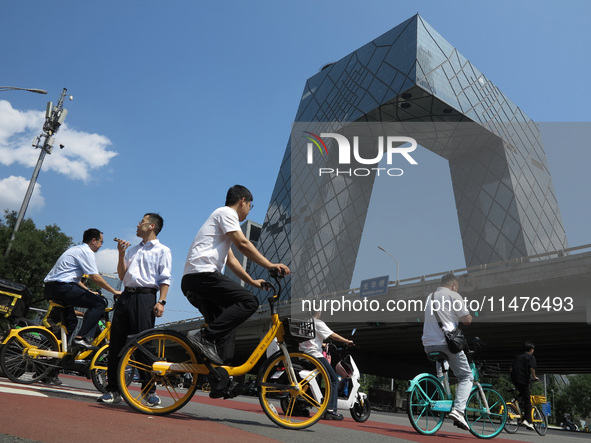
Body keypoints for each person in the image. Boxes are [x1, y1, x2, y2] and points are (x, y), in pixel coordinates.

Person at [181, 185, 290, 375]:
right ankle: (203, 336)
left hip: (195, 280)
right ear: (243, 201)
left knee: (226, 327)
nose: (249, 210)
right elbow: (243, 244)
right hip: (202, 275)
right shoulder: (226, 213)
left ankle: (221, 378)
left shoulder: (221, 225)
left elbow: (231, 260)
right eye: (250, 205)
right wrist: (270, 265)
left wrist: (251, 281)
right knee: (249, 302)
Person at [97, 213, 172, 405]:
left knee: (143, 346)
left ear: (152, 226)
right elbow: (122, 276)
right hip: (125, 296)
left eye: (142, 222)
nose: (137, 225)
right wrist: (121, 254)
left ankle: (149, 391)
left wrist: (161, 302)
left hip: (146, 297)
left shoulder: (163, 250)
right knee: (116, 344)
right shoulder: (132, 250)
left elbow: (165, 279)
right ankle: (113, 389)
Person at [44, 228, 121, 348]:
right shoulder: (86, 252)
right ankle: (82, 338)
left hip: (53, 288)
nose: (101, 245)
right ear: (94, 241)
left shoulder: (76, 249)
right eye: (101, 242)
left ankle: (54, 351)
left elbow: (74, 279)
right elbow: (95, 277)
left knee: (71, 323)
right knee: (99, 304)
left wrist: (89, 291)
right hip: (62, 288)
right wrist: (114, 291)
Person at [422, 273, 473, 431]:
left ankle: (443, 398)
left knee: (442, 374)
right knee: (466, 376)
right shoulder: (453, 295)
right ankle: (458, 411)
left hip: (428, 344)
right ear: (453, 285)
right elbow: (466, 320)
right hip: (447, 344)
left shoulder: (429, 297)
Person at [299, 310, 354, 420]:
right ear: (318, 311)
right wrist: (347, 341)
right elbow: (332, 335)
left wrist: (323, 344)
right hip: (315, 356)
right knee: (333, 379)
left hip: (303, 356)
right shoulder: (318, 322)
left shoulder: (304, 323)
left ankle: (300, 405)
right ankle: (330, 410)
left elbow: (309, 341)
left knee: (313, 379)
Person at [510, 342, 538, 430]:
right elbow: (532, 368)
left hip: (515, 378)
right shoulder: (531, 357)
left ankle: (516, 402)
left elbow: (511, 368)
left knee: (522, 393)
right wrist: (534, 377)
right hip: (523, 379)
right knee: (527, 400)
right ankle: (528, 420)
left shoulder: (518, 357)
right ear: (531, 350)